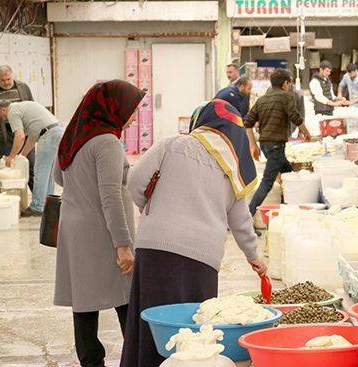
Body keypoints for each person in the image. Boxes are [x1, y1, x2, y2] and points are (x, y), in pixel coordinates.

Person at [121, 99, 267, 367]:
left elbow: (134, 182)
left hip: (155, 249)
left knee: (152, 323)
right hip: (202, 259)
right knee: (195, 332)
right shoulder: (232, 167)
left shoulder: (171, 145)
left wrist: (155, 210)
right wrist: (253, 255)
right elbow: (240, 219)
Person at [54, 80, 143, 367]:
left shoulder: (73, 136)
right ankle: (135, 358)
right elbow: (111, 197)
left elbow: (59, 176)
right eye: (131, 110)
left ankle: (91, 362)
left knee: (84, 301)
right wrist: (123, 245)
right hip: (102, 231)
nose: (133, 117)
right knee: (126, 298)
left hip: (74, 229)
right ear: (113, 108)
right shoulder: (107, 142)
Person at [244, 68, 311, 216]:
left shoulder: (262, 99)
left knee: (290, 174)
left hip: (266, 145)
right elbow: (295, 116)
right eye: (289, 83)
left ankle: (293, 209)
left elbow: (247, 123)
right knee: (267, 181)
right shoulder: (286, 96)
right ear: (286, 83)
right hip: (275, 146)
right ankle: (247, 216)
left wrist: (253, 145)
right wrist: (306, 132)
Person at [0, 100, 64, 216]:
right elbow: (32, 137)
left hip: (49, 136)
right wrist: (22, 155)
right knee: (49, 174)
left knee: (40, 172)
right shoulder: (23, 108)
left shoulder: (12, 112)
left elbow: (20, 136)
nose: (4, 119)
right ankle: (48, 204)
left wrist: (11, 157)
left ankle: (37, 206)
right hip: (58, 132)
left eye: (2, 116)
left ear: (3, 110)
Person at [0, 65, 36, 191]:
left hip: (24, 132)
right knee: (8, 166)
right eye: (3, 80)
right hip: (5, 134)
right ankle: (12, 196)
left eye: (8, 79)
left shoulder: (23, 87)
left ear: (12, 76)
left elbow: (32, 105)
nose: (6, 82)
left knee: (30, 165)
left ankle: (37, 200)